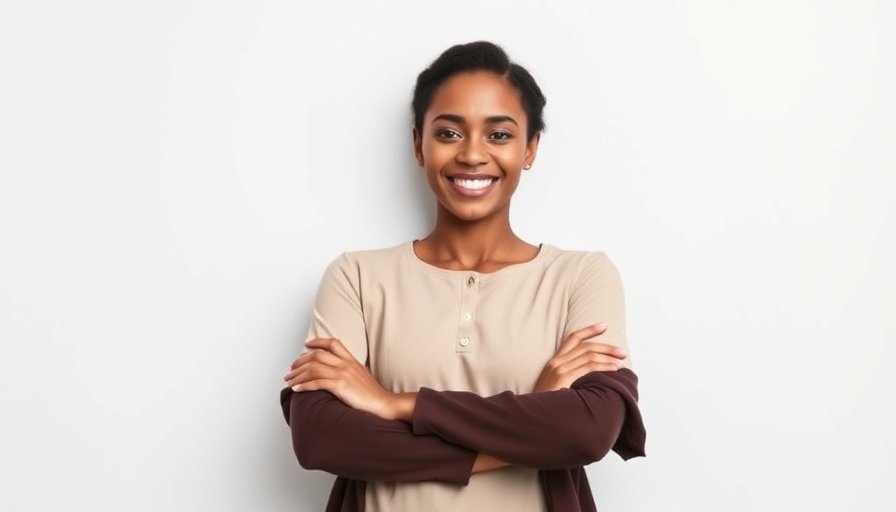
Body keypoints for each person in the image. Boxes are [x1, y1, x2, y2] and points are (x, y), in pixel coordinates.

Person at [280, 41, 646, 512]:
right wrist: (533, 412)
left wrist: (398, 405)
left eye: (499, 135)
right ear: (419, 145)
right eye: (449, 133)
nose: (473, 155)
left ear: (530, 148)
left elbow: (587, 430)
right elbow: (322, 440)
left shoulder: (580, 276)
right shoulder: (356, 277)